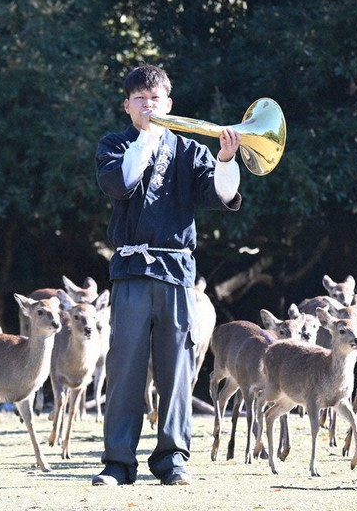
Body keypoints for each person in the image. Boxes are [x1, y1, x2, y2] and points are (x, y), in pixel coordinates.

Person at [93, 64, 242, 486]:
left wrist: (227, 159)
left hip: (177, 271)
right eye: (139, 99)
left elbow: (221, 195)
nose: (148, 105)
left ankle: (172, 459)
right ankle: (118, 463)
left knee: (177, 367)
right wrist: (148, 137)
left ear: (169, 104)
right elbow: (120, 183)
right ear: (127, 106)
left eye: (155, 99)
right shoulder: (113, 144)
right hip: (130, 270)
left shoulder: (191, 150)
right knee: (125, 368)